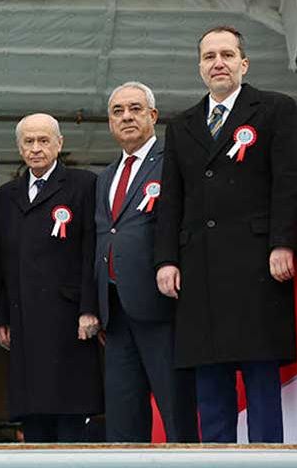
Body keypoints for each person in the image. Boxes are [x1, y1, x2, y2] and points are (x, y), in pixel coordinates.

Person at [155, 26, 297, 443]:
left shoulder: (275, 109)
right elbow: (172, 199)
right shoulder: (182, 125)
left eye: (226, 54)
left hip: (257, 265)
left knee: (260, 378)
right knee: (211, 386)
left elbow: (290, 182)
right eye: (209, 56)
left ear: (244, 63)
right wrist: (166, 259)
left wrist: (282, 242)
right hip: (199, 270)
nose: (217, 62)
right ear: (200, 68)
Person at [95, 82, 198, 442]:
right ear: (109, 123)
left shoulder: (173, 163)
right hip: (116, 314)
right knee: (123, 421)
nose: (126, 117)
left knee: (177, 412)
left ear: (153, 116)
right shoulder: (105, 177)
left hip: (162, 309)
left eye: (135, 109)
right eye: (118, 111)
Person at [0, 113, 102, 442]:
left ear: (59, 144)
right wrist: (1, 316)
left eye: (43, 140)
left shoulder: (84, 184)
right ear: (19, 147)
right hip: (23, 319)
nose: (36, 148)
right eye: (29, 141)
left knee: (69, 416)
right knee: (33, 417)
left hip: (68, 320)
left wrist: (89, 308)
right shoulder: (5, 196)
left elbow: (91, 250)